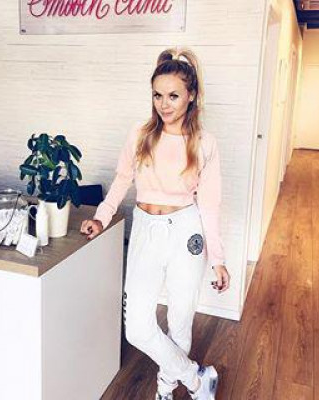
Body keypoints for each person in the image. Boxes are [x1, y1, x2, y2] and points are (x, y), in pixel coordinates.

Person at [80, 47, 230, 400]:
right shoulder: (140, 133)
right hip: (146, 228)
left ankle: (165, 389)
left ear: (191, 95)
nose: (164, 104)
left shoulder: (204, 143)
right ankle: (197, 380)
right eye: (157, 95)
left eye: (173, 96)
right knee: (137, 327)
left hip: (186, 232)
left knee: (179, 321)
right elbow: (122, 180)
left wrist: (218, 259)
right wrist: (101, 217)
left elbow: (210, 205)